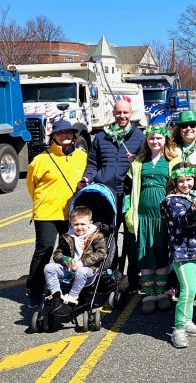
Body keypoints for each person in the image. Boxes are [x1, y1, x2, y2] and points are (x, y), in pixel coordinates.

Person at [79, 100, 144, 293]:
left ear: (131, 113)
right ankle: (109, 278)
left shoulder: (140, 137)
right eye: (118, 113)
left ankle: (133, 279)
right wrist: (87, 178)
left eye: (125, 112)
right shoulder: (101, 137)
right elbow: (92, 164)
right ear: (113, 113)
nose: (122, 116)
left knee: (132, 240)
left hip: (129, 195)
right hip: (106, 197)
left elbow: (146, 162)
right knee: (107, 238)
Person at [26, 119, 87, 307]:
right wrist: (44, 201)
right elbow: (31, 185)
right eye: (61, 133)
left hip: (72, 214)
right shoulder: (40, 159)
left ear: (74, 135)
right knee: (44, 250)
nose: (65, 136)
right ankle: (34, 289)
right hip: (47, 213)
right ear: (54, 136)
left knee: (70, 251)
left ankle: (66, 286)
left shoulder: (82, 157)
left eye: (69, 133)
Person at [124, 125, 181, 314]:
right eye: (151, 138)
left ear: (166, 140)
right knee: (145, 253)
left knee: (161, 253)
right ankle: (149, 294)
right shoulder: (139, 162)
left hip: (163, 216)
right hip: (143, 216)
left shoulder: (174, 161)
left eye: (159, 138)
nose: (155, 142)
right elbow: (129, 188)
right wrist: (128, 211)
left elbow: (182, 184)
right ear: (146, 141)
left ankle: (162, 292)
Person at [160, 162, 196, 348]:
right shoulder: (171, 201)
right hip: (181, 252)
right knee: (186, 290)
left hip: (195, 250)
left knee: (192, 290)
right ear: (174, 182)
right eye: (181, 181)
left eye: (189, 179)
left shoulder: (189, 198)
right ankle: (178, 329)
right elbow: (182, 221)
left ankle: (188, 322)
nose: (186, 184)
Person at [170, 110, 196, 298]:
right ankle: (178, 283)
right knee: (178, 242)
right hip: (178, 200)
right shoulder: (170, 149)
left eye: (192, 126)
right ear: (178, 130)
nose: (188, 129)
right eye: (184, 126)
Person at [43, 206, 107, 315]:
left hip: (88, 269)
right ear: (71, 223)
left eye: (83, 224)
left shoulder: (96, 236)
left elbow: (102, 253)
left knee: (81, 271)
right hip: (70, 268)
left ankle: (72, 298)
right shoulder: (67, 237)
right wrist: (67, 260)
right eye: (76, 224)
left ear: (90, 223)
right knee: (48, 268)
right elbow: (57, 254)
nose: (79, 227)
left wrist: (82, 263)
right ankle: (56, 295)